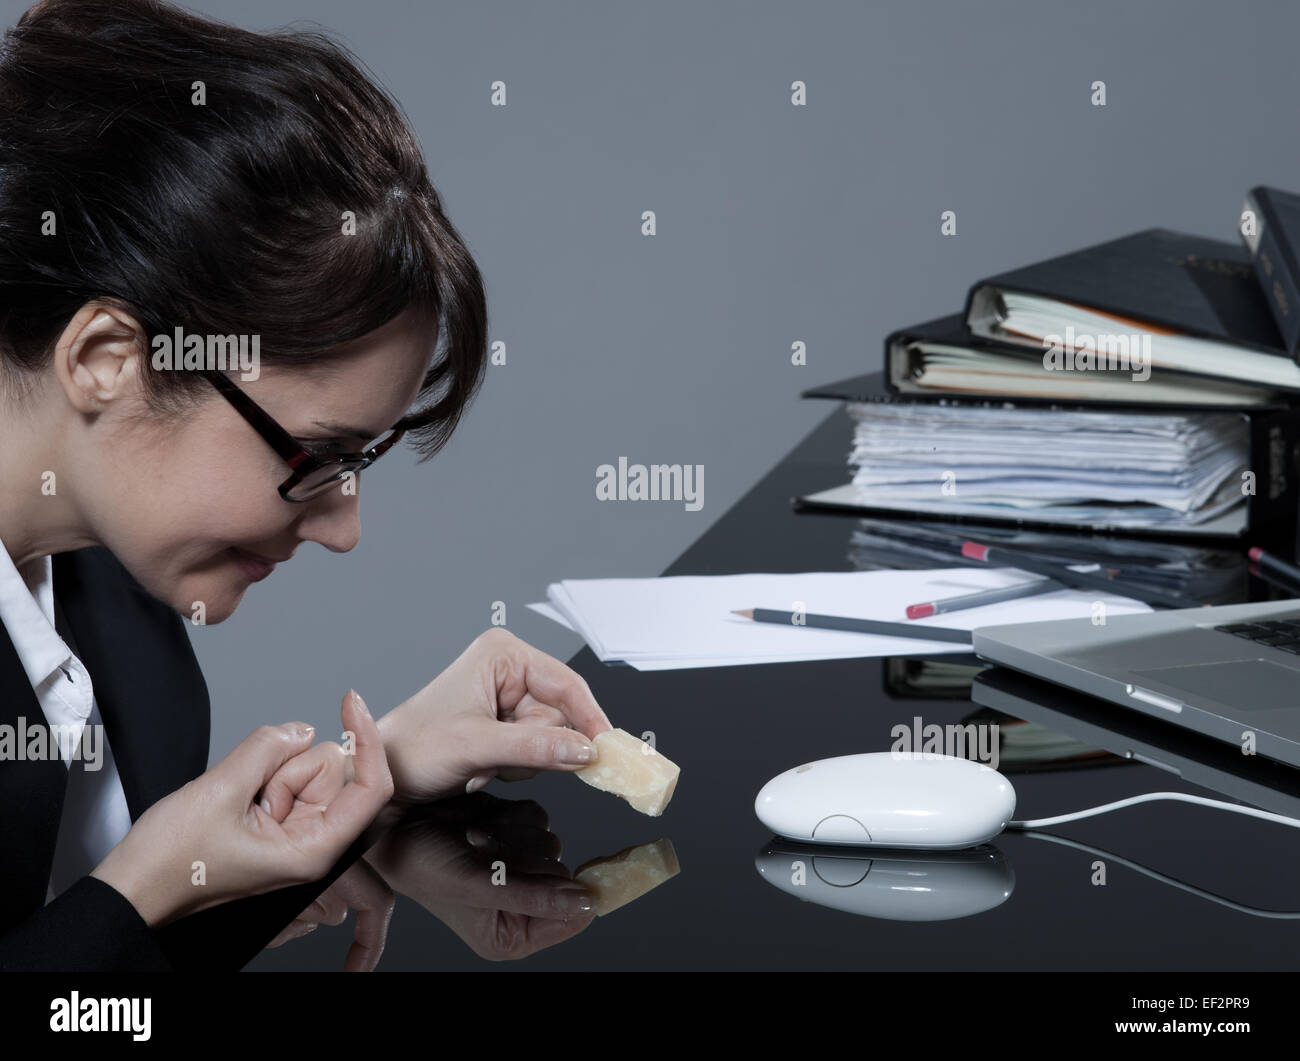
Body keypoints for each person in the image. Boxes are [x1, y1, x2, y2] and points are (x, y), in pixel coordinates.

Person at [0, 0, 610, 971]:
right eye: (316, 455)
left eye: (359, 463)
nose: (342, 528)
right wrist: (150, 883)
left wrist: (384, 767)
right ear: (107, 359)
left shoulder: (117, 585)